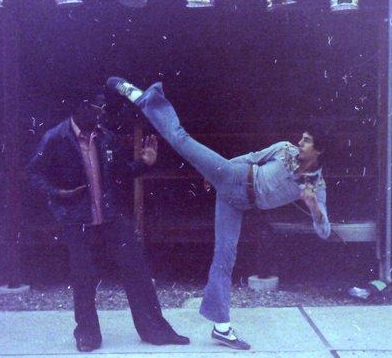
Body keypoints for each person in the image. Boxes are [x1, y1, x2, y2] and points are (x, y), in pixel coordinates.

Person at [107, 77, 331, 350]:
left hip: (237, 203)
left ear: (319, 150)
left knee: (225, 256)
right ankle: (145, 98)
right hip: (232, 175)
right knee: (180, 139)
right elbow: (251, 157)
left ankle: (221, 328)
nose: (300, 142)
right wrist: (216, 172)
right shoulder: (285, 149)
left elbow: (325, 231)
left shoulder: (315, 186)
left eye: (306, 142)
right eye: (302, 138)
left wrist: (314, 207)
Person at [26, 92, 189, 352]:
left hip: (111, 217)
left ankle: (155, 331)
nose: (101, 112)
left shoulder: (105, 137)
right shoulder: (55, 138)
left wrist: (144, 164)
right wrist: (58, 193)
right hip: (77, 220)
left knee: (137, 271)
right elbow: (34, 173)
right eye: (97, 107)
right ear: (81, 107)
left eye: (103, 107)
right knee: (83, 278)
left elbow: (121, 172)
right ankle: (87, 335)